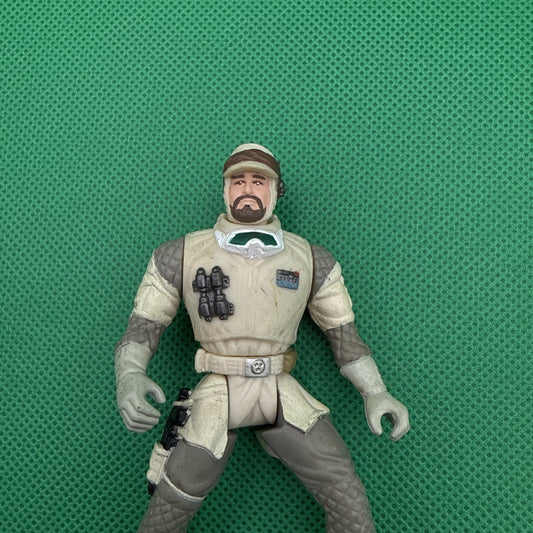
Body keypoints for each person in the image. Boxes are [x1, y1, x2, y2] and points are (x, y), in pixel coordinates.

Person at [115, 143, 410, 533]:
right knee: (175, 497)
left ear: (275, 190)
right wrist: (130, 375)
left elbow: (344, 336)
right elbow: (143, 327)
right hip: (218, 386)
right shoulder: (180, 255)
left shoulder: (312, 259)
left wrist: (376, 392)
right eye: (238, 181)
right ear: (225, 189)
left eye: (259, 181)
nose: (248, 189)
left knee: (344, 488)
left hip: (278, 386)